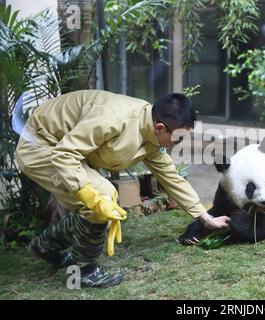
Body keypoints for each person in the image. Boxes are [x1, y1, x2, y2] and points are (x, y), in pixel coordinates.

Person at [15, 90, 230, 288]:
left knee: (98, 203)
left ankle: (45, 246)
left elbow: (172, 177)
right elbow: (65, 154)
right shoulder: (114, 119)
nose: (177, 143)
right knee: (102, 197)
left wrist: (205, 218)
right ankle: (84, 272)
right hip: (40, 145)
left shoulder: (150, 132)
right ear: (160, 128)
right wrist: (89, 195)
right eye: (178, 138)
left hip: (63, 147)